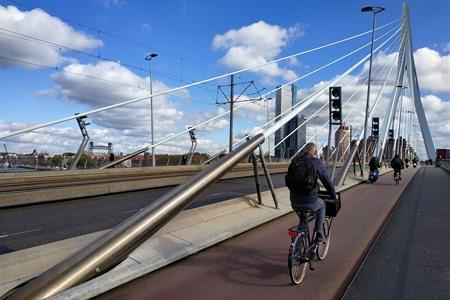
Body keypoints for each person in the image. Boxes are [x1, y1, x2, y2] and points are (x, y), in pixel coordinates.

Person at [286, 142, 337, 243]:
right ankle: (318, 234)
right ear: (315, 151)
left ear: (305, 150)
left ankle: (299, 246)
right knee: (322, 206)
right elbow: (327, 182)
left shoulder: (295, 161)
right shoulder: (316, 162)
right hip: (310, 199)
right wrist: (333, 195)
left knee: (303, 218)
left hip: (294, 200)